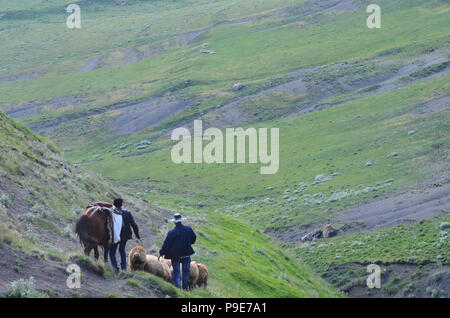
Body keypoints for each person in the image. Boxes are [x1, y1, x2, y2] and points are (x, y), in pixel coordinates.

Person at [159, 213, 196, 290]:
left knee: (176, 273)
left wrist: (161, 253)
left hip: (175, 256)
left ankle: (178, 290)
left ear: (174, 222)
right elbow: (194, 238)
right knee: (186, 272)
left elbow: (166, 244)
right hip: (186, 254)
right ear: (181, 221)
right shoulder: (188, 229)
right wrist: (189, 243)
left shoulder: (171, 232)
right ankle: (185, 288)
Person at [109, 198, 141, 272]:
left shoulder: (111, 212)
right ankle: (124, 268)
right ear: (122, 204)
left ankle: (115, 269)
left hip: (115, 234)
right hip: (125, 235)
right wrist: (137, 234)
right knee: (122, 250)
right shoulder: (127, 212)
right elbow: (134, 224)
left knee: (112, 252)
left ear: (114, 204)